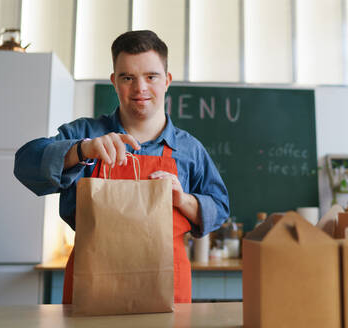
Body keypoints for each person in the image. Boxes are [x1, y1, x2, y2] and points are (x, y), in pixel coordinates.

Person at [14, 30, 230, 304]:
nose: (140, 88)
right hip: (92, 287)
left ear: (167, 81)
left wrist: (183, 200)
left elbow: (220, 208)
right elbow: (24, 164)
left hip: (166, 291)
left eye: (151, 76)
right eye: (128, 77)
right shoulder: (85, 132)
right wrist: (81, 149)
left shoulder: (190, 149)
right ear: (115, 82)